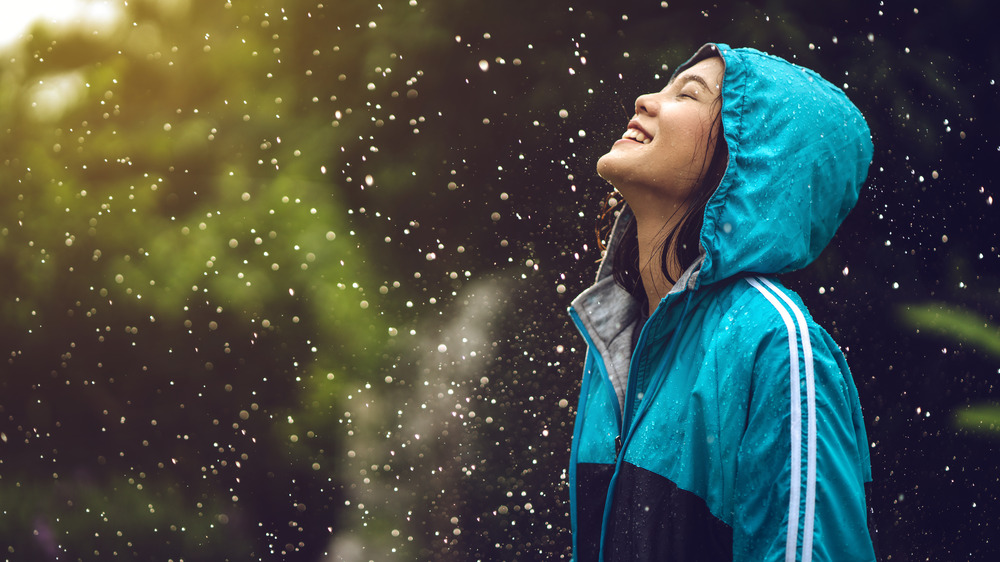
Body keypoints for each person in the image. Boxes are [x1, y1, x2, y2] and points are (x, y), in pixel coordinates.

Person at [567, 43, 878, 561]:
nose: (646, 100)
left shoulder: (776, 344)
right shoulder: (620, 336)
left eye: (687, 94)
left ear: (750, 159)